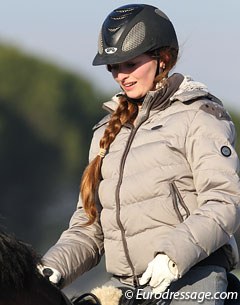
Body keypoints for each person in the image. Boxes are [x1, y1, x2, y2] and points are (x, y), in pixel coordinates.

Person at [40, 4, 240, 304]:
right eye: (114, 67)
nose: (121, 75)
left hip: (193, 278)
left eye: (130, 63)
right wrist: (50, 269)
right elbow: (89, 224)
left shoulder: (199, 115)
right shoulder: (106, 132)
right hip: (126, 287)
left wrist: (172, 257)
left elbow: (225, 199)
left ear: (164, 59)